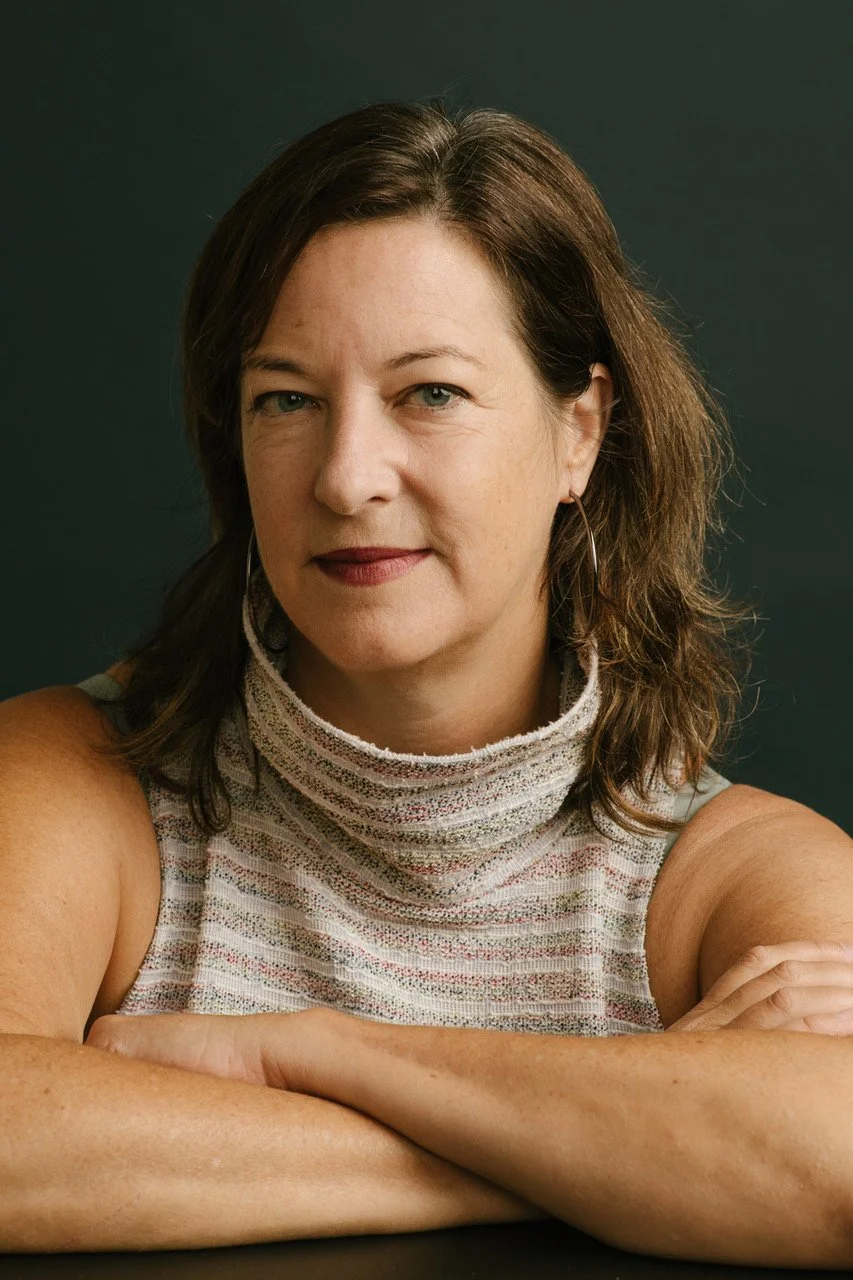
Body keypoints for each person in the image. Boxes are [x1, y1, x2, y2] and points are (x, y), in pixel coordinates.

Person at [1, 98, 852, 1265]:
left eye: (429, 393)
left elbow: (835, 1171)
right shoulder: (74, 779)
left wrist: (308, 1049)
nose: (347, 476)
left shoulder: (732, 873)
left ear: (579, 431)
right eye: (286, 398)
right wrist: (600, 1141)